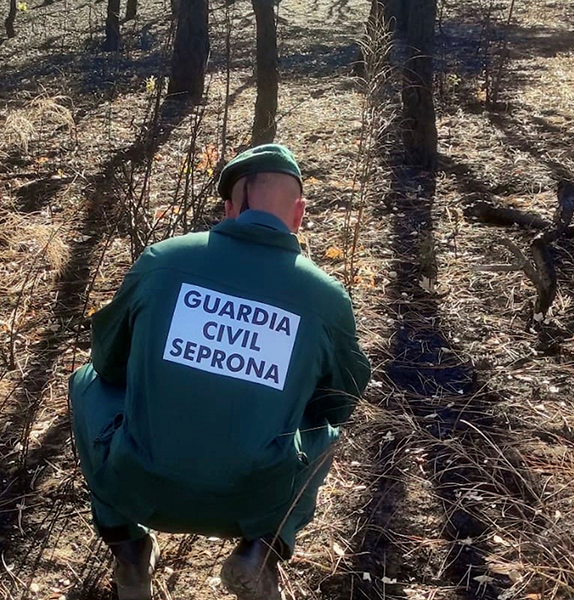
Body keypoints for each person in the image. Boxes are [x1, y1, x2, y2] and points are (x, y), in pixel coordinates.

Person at [69, 144, 371, 600]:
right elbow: (340, 402)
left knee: (85, 381)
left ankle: (128, 550)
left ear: (229, 209)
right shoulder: (325, 297)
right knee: (324, 429)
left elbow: (109, 361)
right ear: (299, 214)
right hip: (257, 497)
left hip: (142, 483)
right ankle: (263, 547)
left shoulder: (163, 260)